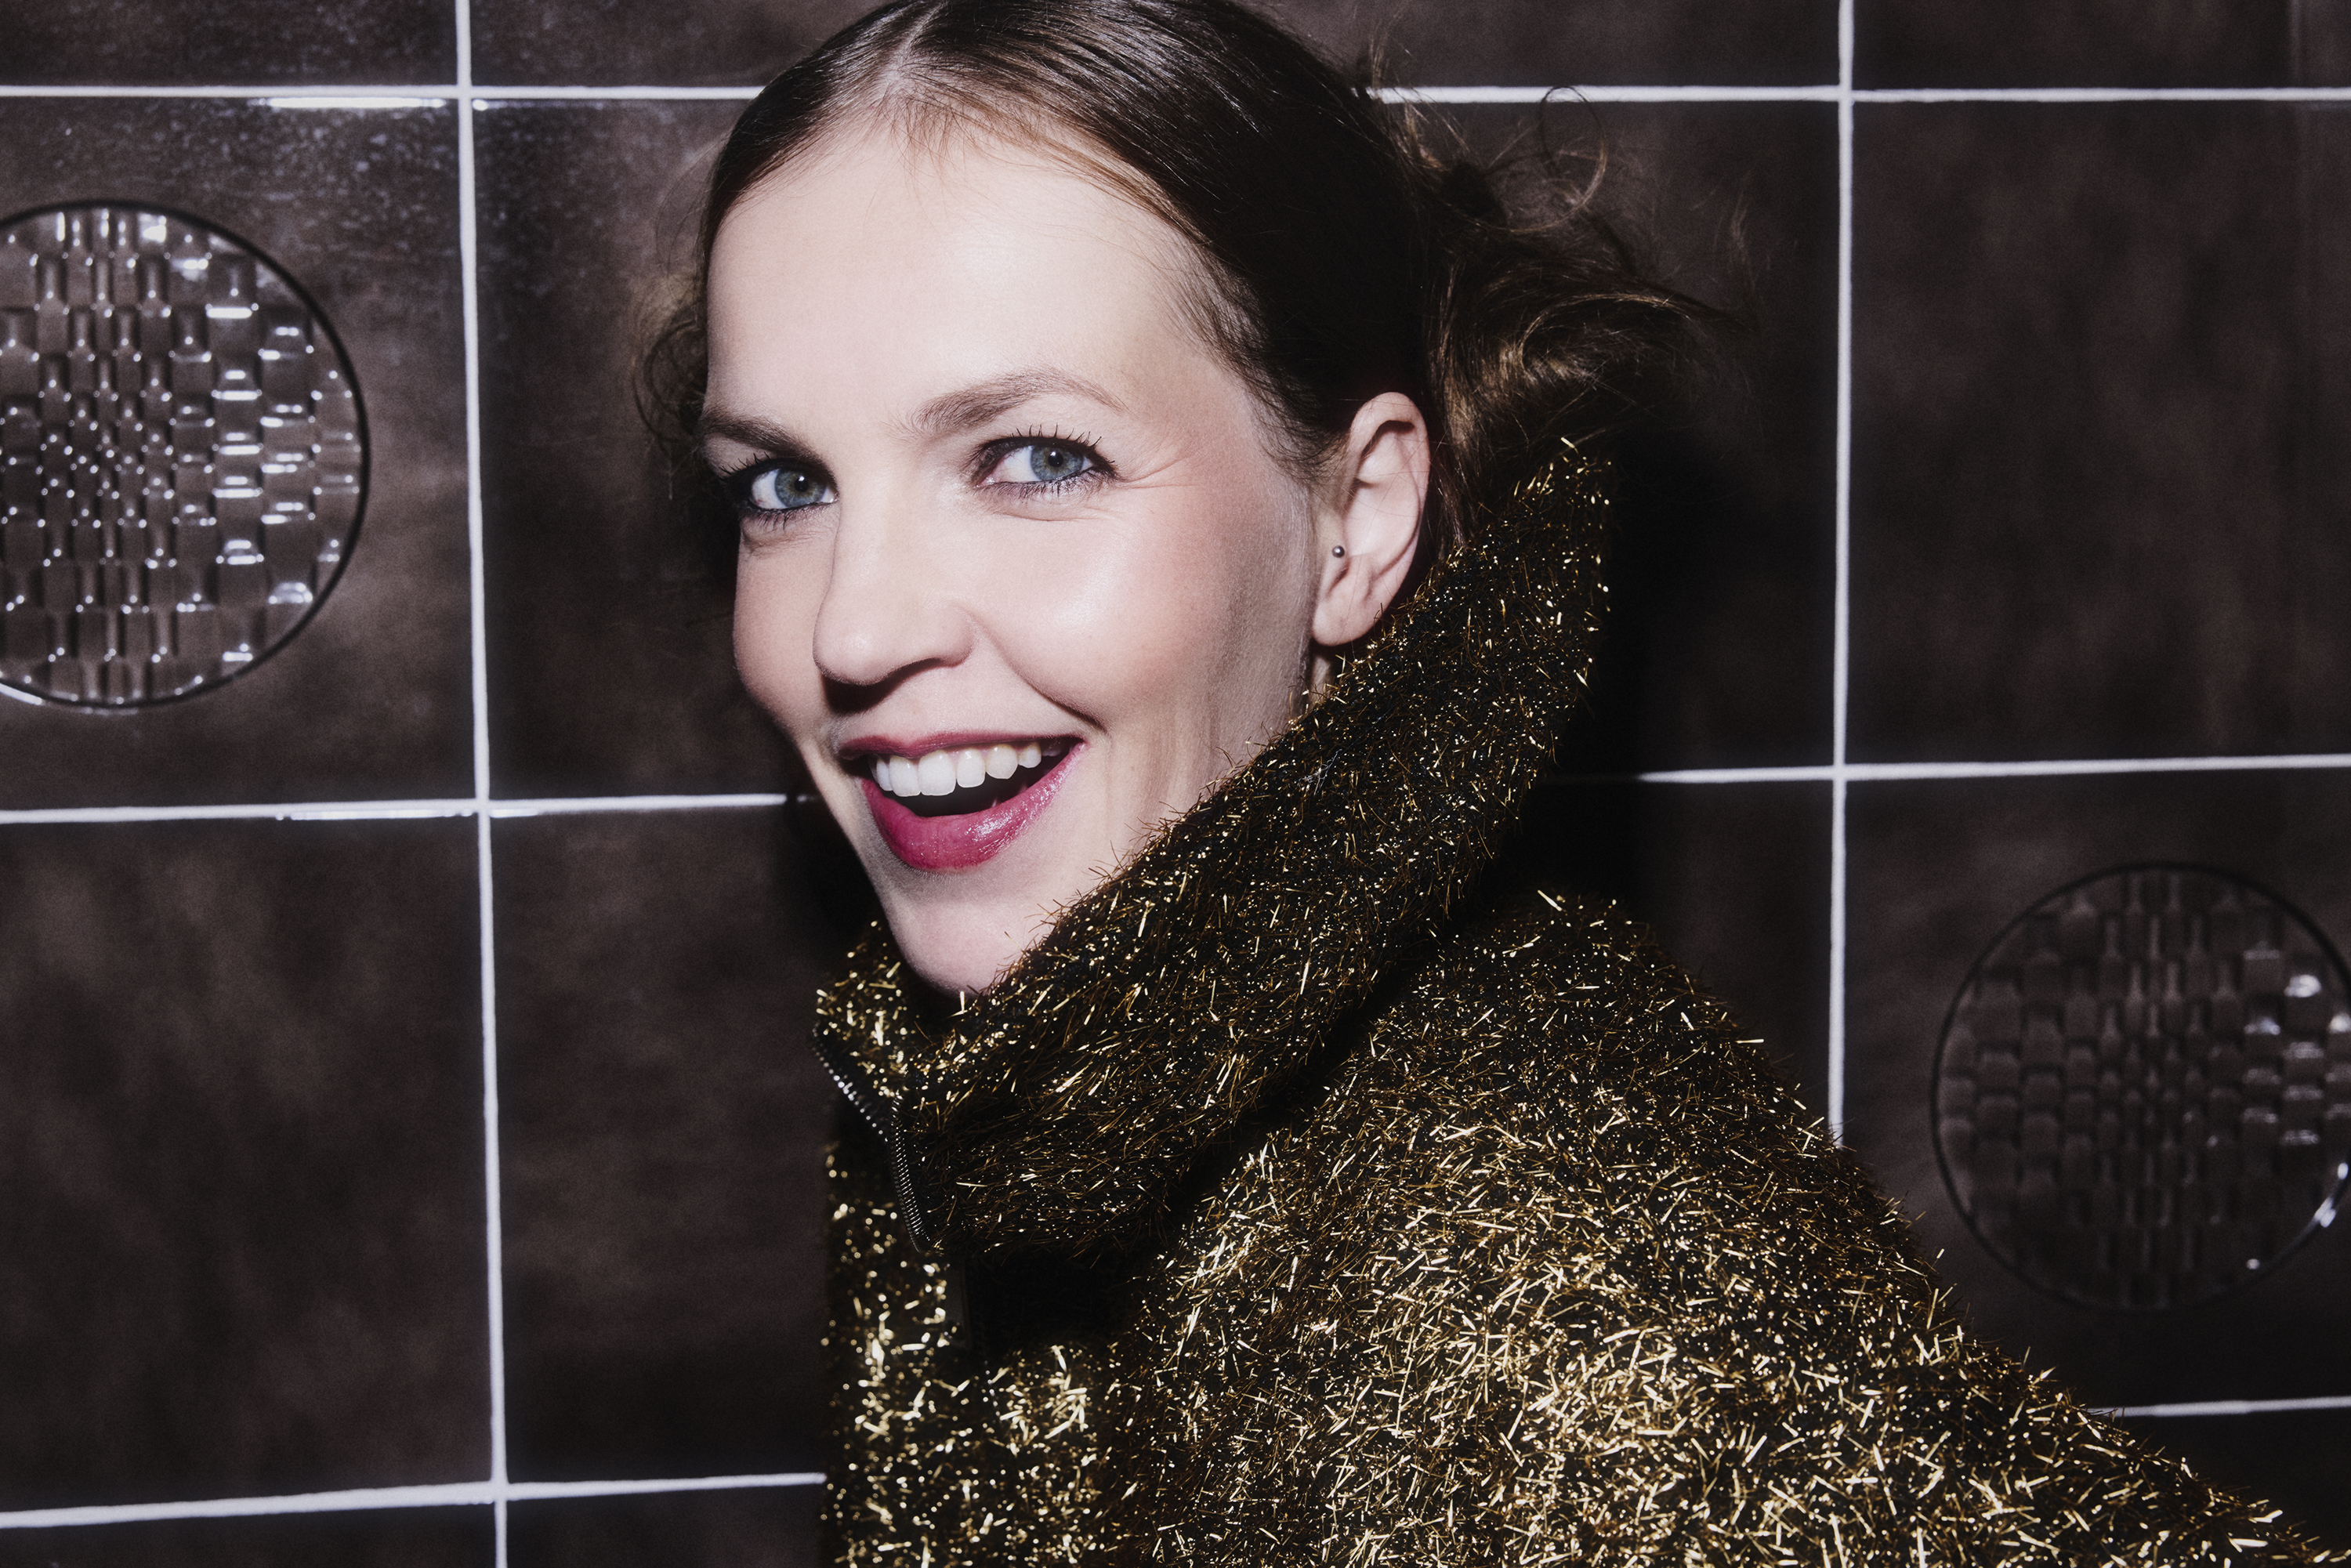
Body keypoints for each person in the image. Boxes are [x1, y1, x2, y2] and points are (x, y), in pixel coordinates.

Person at [642, 0, 2338, 1559]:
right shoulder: (994, 1096)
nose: (852, 629)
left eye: (1033, 458)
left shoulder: (1584, 1333)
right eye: (785, 484)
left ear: (1358, 518)